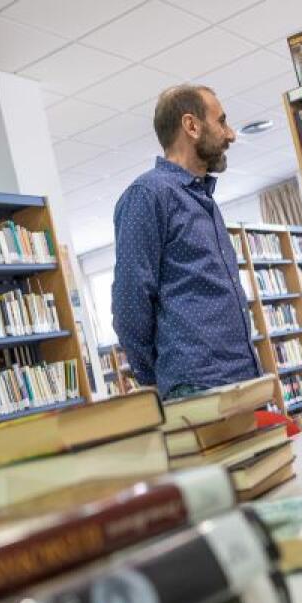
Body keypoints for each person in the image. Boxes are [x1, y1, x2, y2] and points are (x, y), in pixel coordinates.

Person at [111, 85, 261, 400]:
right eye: (221, 122)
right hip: (196, 386)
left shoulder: (203, 198)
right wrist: (158, 376)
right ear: (191, 126)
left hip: (242, 375)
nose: (231, 134)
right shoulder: (148, 195)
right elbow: (130, 299)